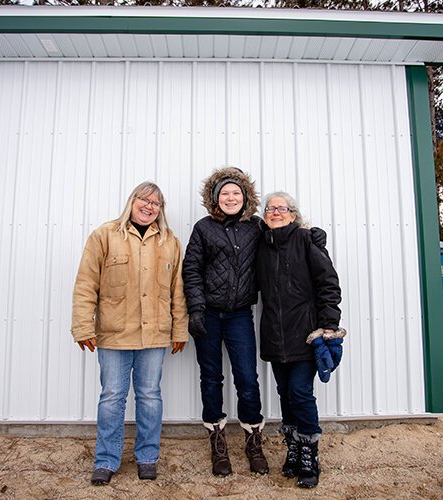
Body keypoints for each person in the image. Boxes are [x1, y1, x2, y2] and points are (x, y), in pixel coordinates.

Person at [182, 168, 327, 477]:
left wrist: (311, 235)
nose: (230, 197)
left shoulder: (256, 227)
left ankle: (253, 441)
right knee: (211, 378)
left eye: (236, 193)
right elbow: (191, 268)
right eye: (224, 194)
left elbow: (283, 237)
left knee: (247, 379)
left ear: (245, 197)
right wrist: (195, 308)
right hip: (207, 314)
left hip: (239, 315)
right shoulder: (203, 228)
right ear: (215, 199)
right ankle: (218, 442)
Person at [71, 181, 188, 486]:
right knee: (112, 397)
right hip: (114, 334)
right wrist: (83, 325)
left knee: (150, 396)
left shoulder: (170, 242)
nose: (149, 207)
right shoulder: (105, 235)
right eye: (144, 200)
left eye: (156, 203)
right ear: (132, 201)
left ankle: (148, 457)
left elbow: (178, 290)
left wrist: (180, 330)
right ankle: (106, 460)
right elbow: (86, 283)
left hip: (155, 335)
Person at [256, 191, 343, 489]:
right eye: (270, 209)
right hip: (274, 334)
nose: (275, 212)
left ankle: (309, 452)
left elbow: (328, 283)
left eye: (281, 208)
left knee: (300, 392)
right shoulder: (261, 244)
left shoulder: (307, 241)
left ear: (293, 214)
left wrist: (329, 324)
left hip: (306, 334)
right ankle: (293, 446)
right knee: (285, 393)